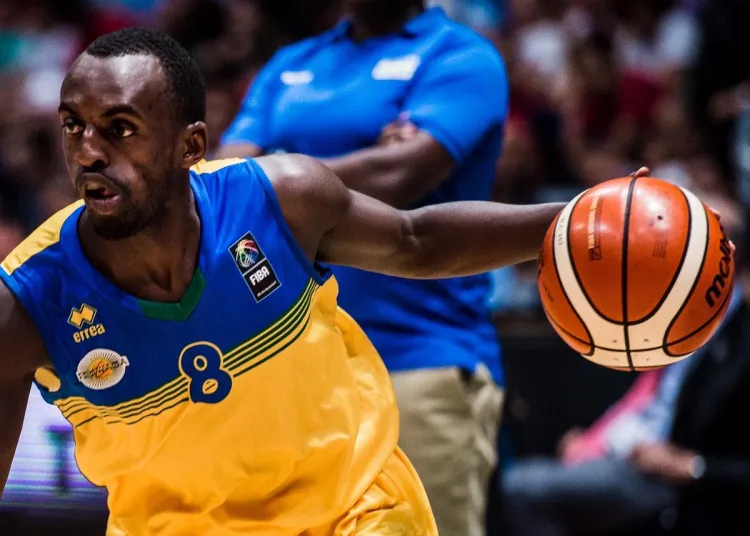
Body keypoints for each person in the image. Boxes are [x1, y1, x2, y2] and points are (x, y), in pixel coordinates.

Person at [0, 28, 572, 536]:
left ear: (190, 147)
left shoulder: (281, 199)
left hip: (354, 512)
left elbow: (416, 238)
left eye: (120, 129)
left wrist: (571, 220)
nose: (88, 152)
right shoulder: (25, 301)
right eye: (73, 126)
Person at [218, 3, 509, 533]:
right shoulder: (292, 62)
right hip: (291, 371)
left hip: (419, 360)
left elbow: (399, 175)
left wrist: (274, 169)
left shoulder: (461, 56)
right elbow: (219, 180)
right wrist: (357, 159)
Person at [501, 287, 750, 536]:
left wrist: (691, 466)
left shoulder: (734, 337)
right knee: (523, 480)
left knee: (522, 487)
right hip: (627, 448)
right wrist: (592, 440)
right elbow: (640, 400)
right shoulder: (680, 330)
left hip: (667, 474)